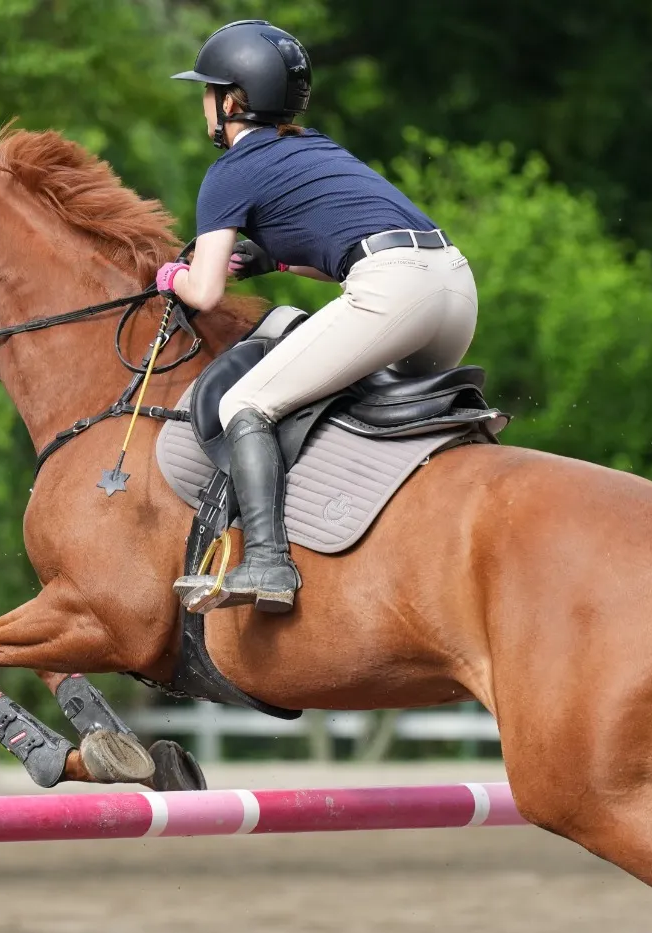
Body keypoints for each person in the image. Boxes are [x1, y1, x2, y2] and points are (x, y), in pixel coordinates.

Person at [160, 20, 479, 614]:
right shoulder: (315, 148)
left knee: (245, 404)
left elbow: (202, 292)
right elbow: (338, 251)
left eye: (207, 92)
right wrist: (272, 260)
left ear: (231, 100)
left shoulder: (229, 171)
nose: (204, 104)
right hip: (454, 289)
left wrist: (169, 276)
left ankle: (268, 564)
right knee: (332, 399)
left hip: (395, 291)